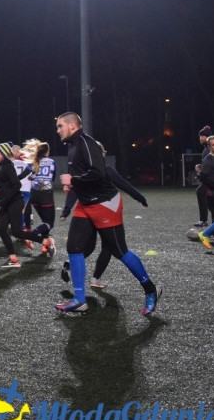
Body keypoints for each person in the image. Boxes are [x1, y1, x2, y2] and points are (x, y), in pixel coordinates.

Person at [55, 112, 160, 315]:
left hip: (105, 203)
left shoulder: (87, 143)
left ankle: (151, 290)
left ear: (73, 126)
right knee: (74, 247)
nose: (58, 130)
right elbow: (83, 176)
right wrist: (73, 184)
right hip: (85, 204)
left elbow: (99, 173)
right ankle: (79, 299)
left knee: (119, 250)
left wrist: (73, 180)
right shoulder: (73, 146)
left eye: (60, 126)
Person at [59, 147, 148, 288]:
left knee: (89, 246)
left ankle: (71, 267)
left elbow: (74, 192)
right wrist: (140, 198)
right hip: (104, 212)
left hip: (87, 214)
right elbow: (124, 184)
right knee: (109, 247)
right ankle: (95, 279)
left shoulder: (82, 173)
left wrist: (66, 210)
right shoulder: (105, 170)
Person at [0, 142, 54, 268]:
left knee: (17, 232)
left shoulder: (7, 166)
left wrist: (4, 200)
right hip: (7, 202)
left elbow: (16, 185)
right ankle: (13, 259)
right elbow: (4, 188)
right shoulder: (2, 166)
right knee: (2, 229)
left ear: (3, 153)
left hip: (14, 202)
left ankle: (45, 241)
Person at [24, 140, 57, 250]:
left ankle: (46, 245)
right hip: (45, 194)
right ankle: (31, 235)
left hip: (34, 194)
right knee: (49, 223)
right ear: (47, 151)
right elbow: (52, 178)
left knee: (45, 222)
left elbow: (29, 176)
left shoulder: (34, 162)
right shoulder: (51, 161)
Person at [192, 125, 214, 228]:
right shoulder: (206, 150)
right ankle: (211, 224)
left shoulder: (209, 149)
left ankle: (205, 221)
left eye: (201, 136)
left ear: (206, 137)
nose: (199, 139)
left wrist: (200, 171)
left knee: (201, 192)